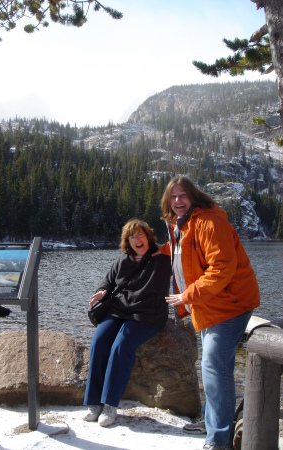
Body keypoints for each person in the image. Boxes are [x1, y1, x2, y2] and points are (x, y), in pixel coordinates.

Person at [157, 176, 260, 450]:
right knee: (215, 368)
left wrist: (186, 295)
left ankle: (219, 438)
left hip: (230, 305)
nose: (178, 201)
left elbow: (222, 268)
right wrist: (154, 251)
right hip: (209, 306)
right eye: (173, 197)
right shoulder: (180, 225)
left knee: (215, 367)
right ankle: (213, 420)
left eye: (183, 195)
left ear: (193, 197)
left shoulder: (210, 222)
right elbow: (184, 252)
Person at [83, 218, 172, 427]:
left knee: (121, 346)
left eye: (140, 234)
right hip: (119, 310)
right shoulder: (122, 261)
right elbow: (107, 281)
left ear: (148, 236)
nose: (137, 240)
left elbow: (185, 252)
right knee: (99, 341)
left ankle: (110, 405)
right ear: (127, 242)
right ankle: (93, 402)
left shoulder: (163, 258)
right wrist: (102, 291)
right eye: (132, 237)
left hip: (147, 315)